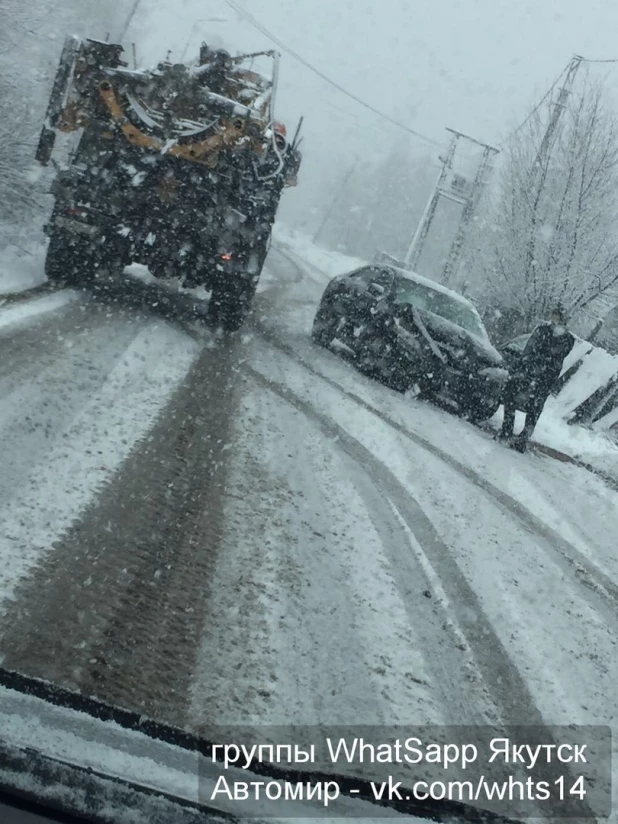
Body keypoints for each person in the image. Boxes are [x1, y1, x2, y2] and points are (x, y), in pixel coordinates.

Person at [496, 305, 575, 453]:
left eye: (556, 316)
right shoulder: (559, 336)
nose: (553, 319)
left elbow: (534, 350)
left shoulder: (555, 335)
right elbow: (532, 350)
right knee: (524, 404)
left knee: (524, 404)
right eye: (553, 315)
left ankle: (516, 436)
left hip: (536, 375)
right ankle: (514, 434)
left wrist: (526, 364)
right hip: (538, 375)